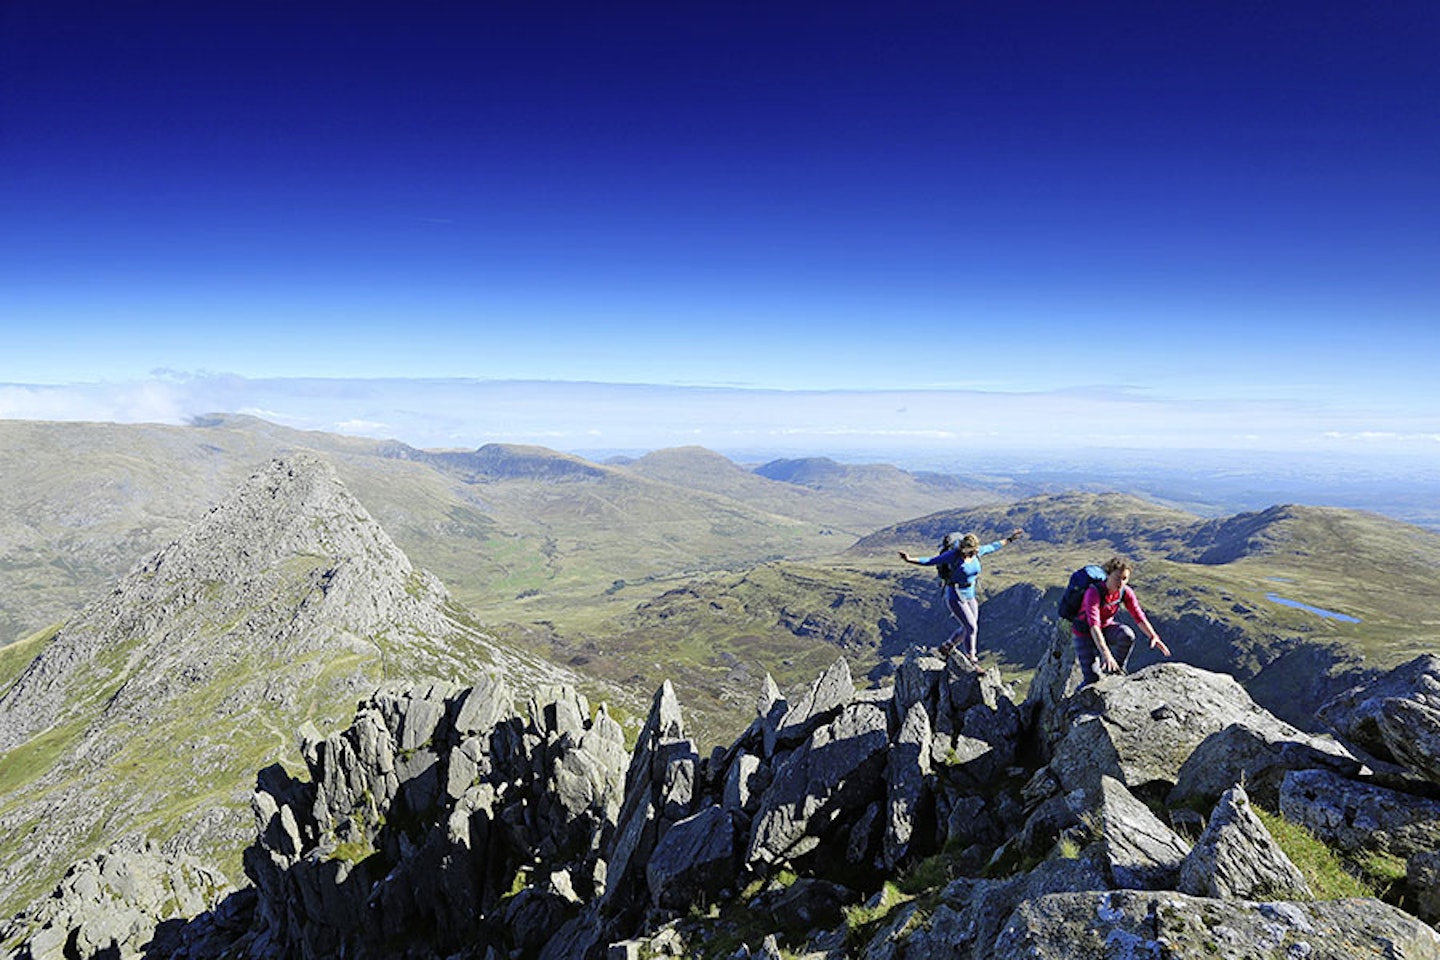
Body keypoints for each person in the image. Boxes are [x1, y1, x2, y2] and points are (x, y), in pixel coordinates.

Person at [899, 527, 1024, 668]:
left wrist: (1011, 539)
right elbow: (930, 561)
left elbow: (993, 546)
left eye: (971, 550)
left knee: (969, 626)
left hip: (970, 593)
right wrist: (909, 560)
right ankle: (972, 659)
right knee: (971, 627)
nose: (969, 552)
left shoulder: (977, 552)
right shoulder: (953, 555)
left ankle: (947, 646)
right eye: (966, 550)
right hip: (955, 595)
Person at [1072, 556, 1170, 687]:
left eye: (1124, 579)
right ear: (1108, 575)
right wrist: (1106, 654)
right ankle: (1074, 701)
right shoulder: (1093, 593)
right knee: (1092, 679)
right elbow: (1094, 625)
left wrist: (1153, 636)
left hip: (1105, 628)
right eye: (1117, 578)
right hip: (1084, 634)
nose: (1121, 582)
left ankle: (1116, 670)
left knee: (1127, 635)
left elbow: (1138, 615)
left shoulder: (1125, 592)